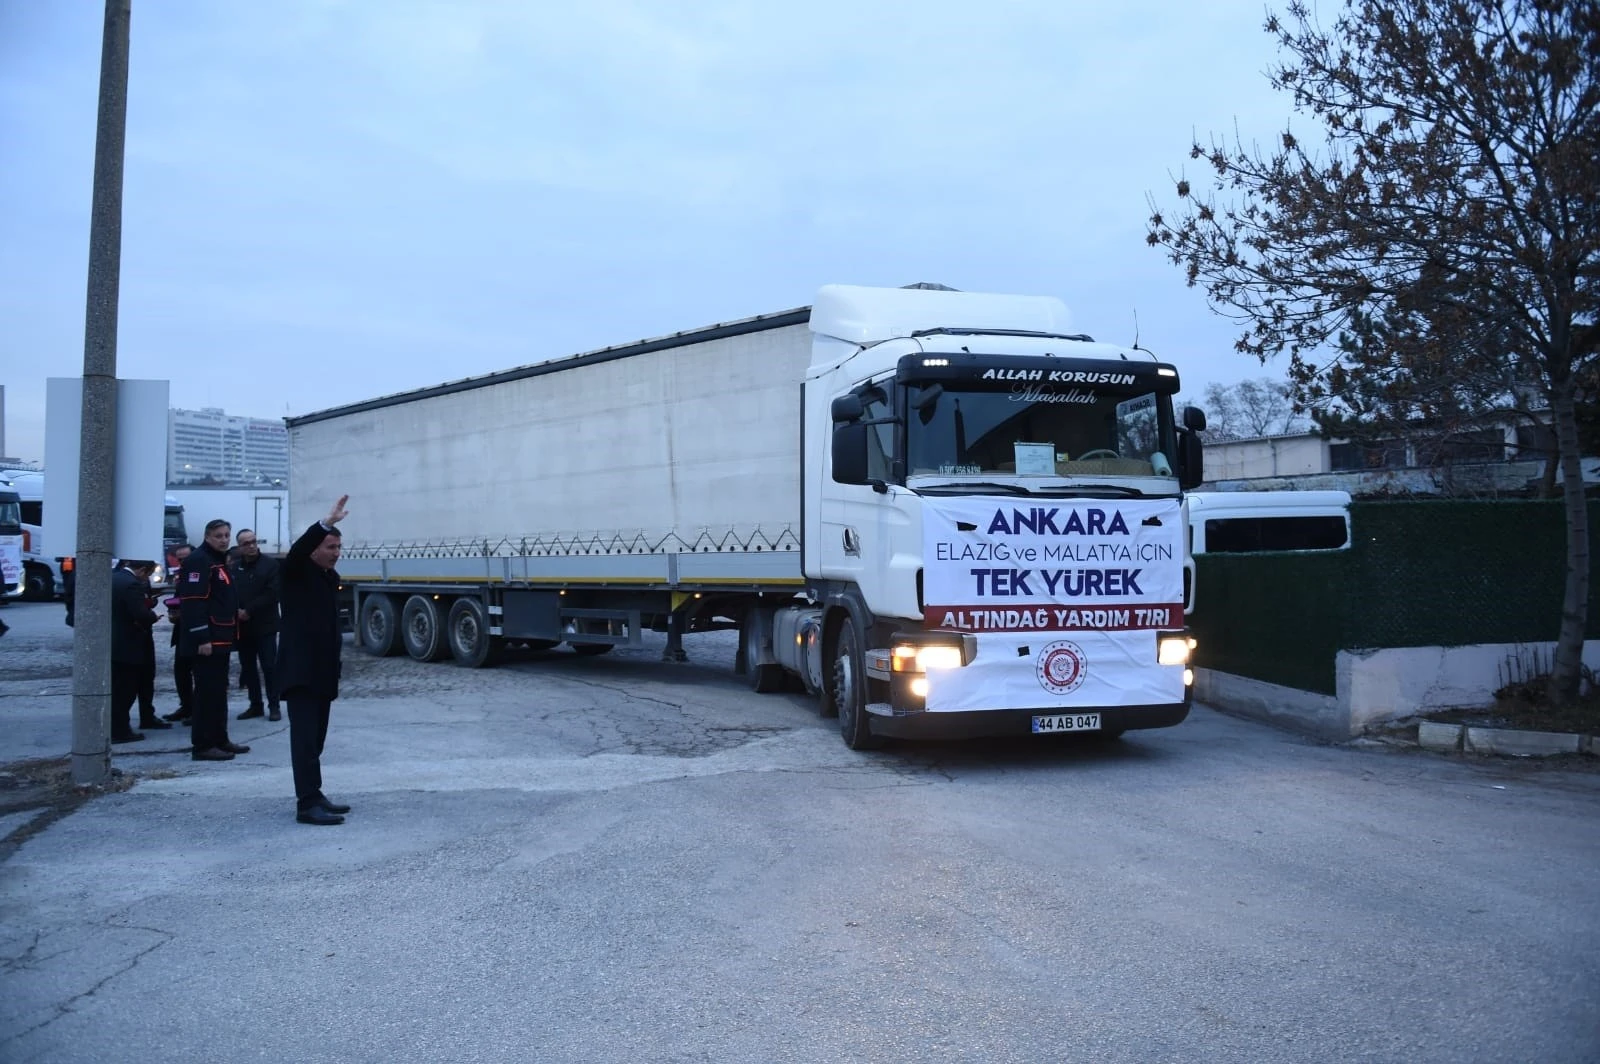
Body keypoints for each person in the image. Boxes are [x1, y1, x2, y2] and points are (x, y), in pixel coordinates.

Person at [278, 495, 350, 825]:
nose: (336, 553)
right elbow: (295, 554)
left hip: (322, 672)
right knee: (304, 740)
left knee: (316, 739)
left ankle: (315, 792)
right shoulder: (296, 573)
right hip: (301, 673)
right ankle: (306, 803)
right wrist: (325, 523)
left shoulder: (328, 579)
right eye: (330, 547)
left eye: (338, 547)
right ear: (314, 550)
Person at [178, 520, 249, 762]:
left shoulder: (218, 560)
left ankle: (220, 738)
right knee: (207, 693)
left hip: (222, 638)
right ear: (207, 536)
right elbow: (193, 600)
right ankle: (203, 745)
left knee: (219, 692)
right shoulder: (199, 560)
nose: (224, 539)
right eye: (219, 535)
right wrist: (201, 637)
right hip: (208, 640)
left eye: (227, 535)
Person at [230, 528, 281, 721]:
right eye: (246, 543)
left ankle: (274, 705)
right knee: (248, 667)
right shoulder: (235, 568)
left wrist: (248, 610)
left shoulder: (270, 565)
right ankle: (255, 704)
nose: (251, 546)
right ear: (240, 547)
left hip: (265, 625)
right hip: (243, 627)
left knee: (269, 666)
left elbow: (272, 593)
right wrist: (236, 611)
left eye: (253, 541)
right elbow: (231, 593)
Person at [110, 559, 160, 743]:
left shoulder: (114, 577)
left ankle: (119, 726)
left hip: (116, 640)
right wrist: (152, 615)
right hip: (129, 642)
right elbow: (140, 615)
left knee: (119, 687)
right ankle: (120, 730)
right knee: (126, 690)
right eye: (147, 575)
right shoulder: (132, 584)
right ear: (143, 570)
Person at [162, 545, 195, 723]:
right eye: (179, 559)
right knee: (181, 671)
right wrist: (173, 613)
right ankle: (186, 706)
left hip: (196, 632)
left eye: (185, 559)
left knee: (197, 672)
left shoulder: (201, 574)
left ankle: (196, 709)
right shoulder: (182, 576)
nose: (182, 562)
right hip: (181, 631)